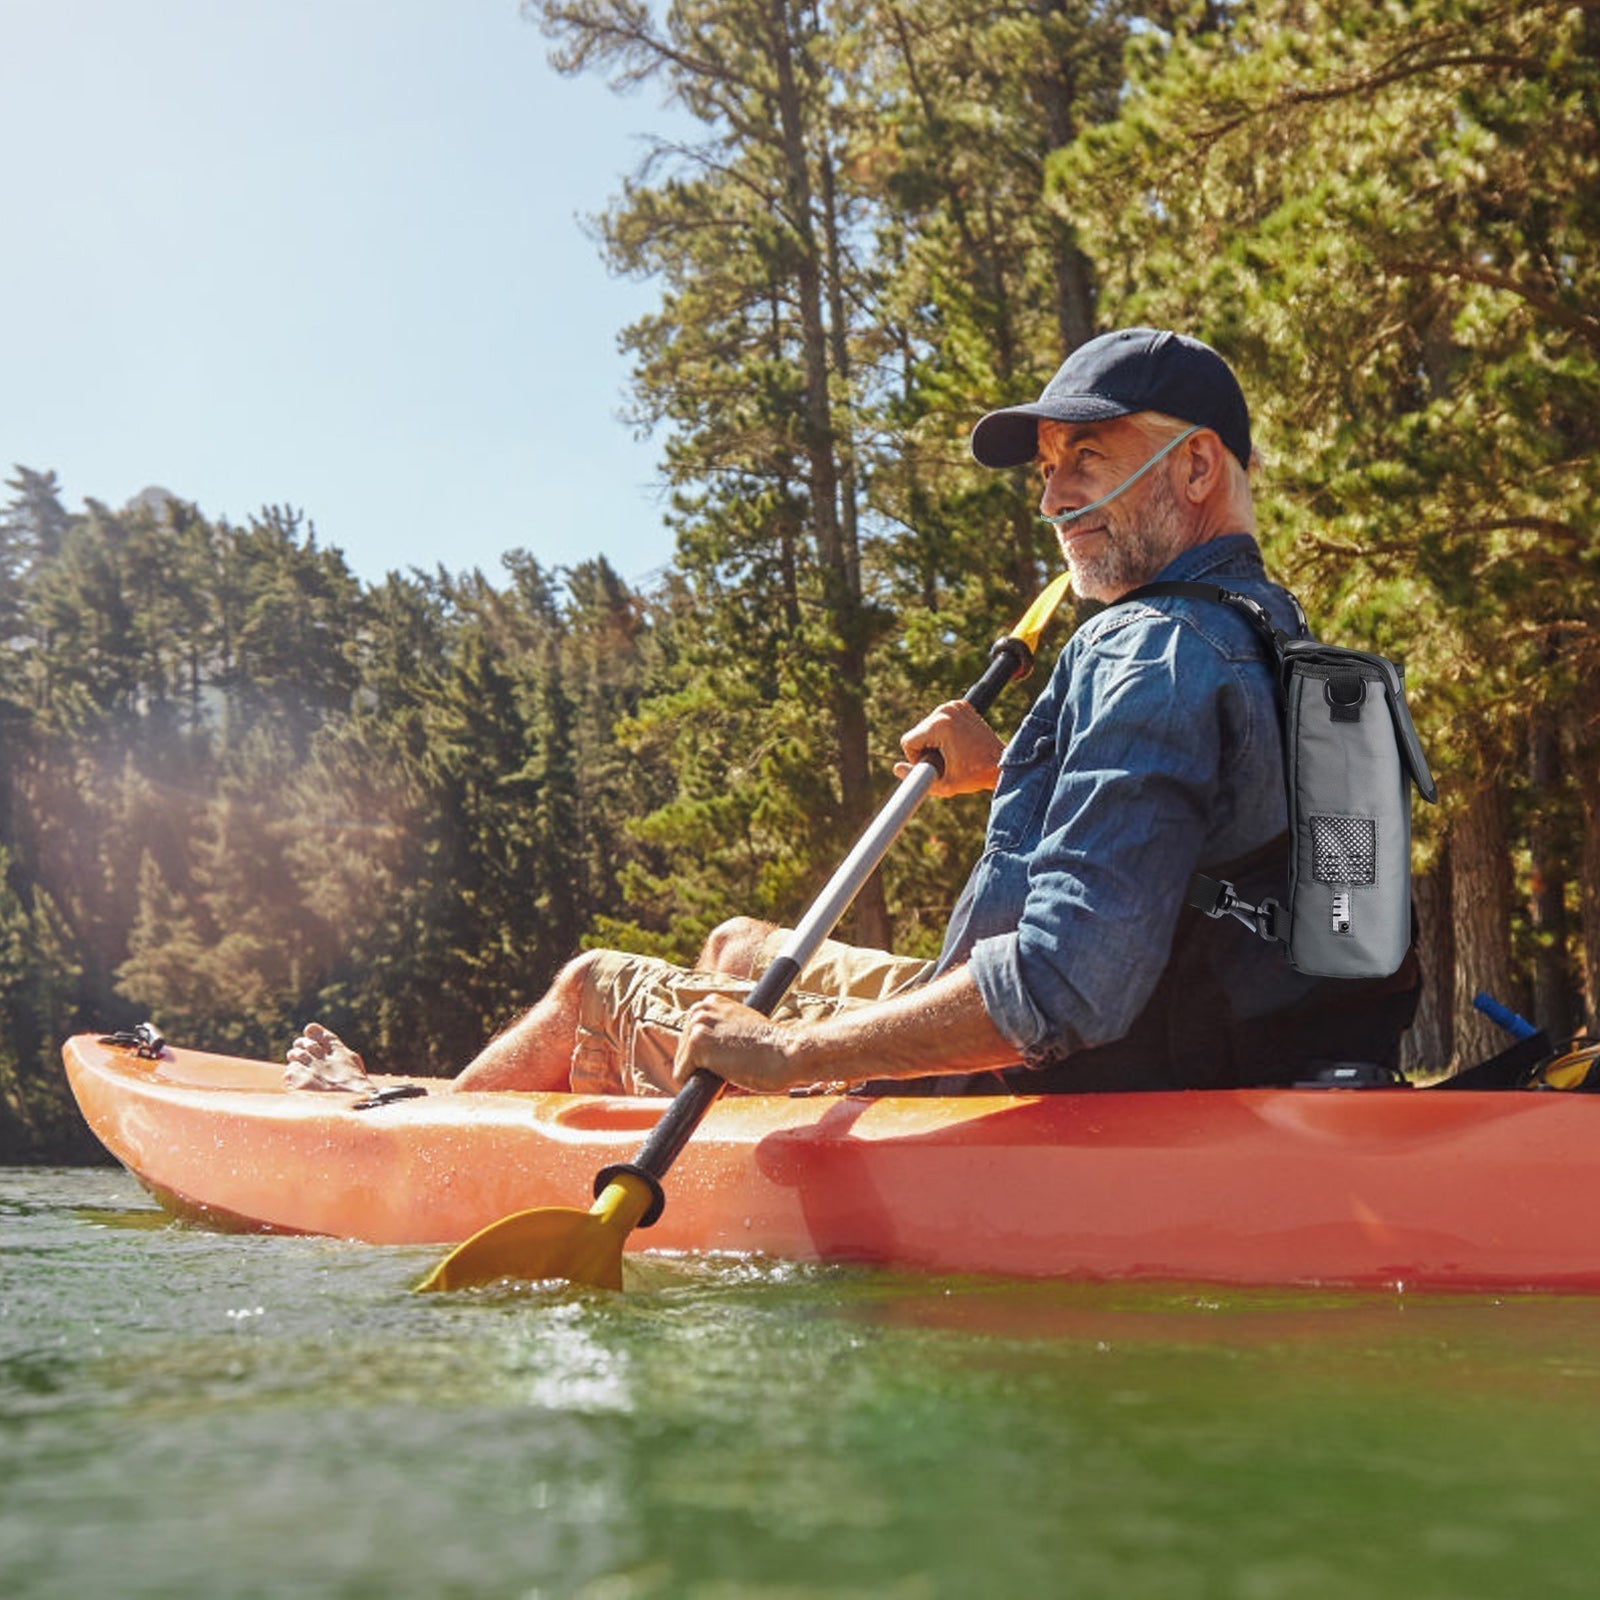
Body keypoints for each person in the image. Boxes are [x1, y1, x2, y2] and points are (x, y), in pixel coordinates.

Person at [286, 327, 1418, 1101]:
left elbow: (1061, 988)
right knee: (737, 943)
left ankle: (395, 1124)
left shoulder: (1143, 646)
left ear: (1196, 468)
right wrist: (1013, 768)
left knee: (593, 985)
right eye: (1046, 468)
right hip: (1209, 1028)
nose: (1054, 493)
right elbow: (1208, 831)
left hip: (1057, 1073)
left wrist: (788, 1058)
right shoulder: (1268, 626)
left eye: (1089, 456)